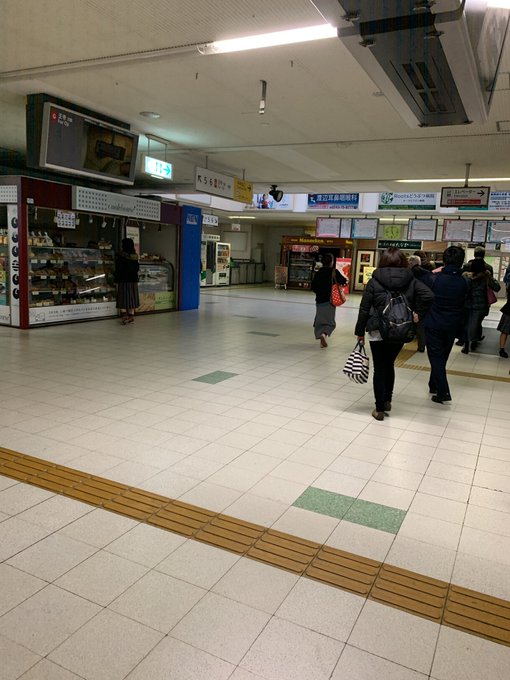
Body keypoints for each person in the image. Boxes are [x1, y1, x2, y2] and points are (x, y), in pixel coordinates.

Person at [355, 247, 433, 420]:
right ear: (402, 262)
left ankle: (379, 408)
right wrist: (417, 313)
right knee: (389, 364)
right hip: (400, 328)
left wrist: (359, 332)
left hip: (377, 329)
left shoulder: (374, 281)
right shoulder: (410, 279)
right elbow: (428, 295)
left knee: (380, 367)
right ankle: (388, 399)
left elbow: (364, 309)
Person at [421, 246, 470, 403]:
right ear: (461, 261)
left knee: (435, 357)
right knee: (442, 356)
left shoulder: (433, 278)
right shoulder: (465, 281)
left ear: (444, 260)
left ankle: (443, 392)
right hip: (453, 324)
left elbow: (421, 294)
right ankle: (433, 384)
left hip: (434, 323)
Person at [461, 258, 500, 353]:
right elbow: (497, 287)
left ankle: (466, 346)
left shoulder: (466, 276)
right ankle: (474, 342)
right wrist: (490, 277)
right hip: (481, 306)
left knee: (467, 324)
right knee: (477, 324)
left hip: (467, 304)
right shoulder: (486, 277)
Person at [311, 252, 347, 348]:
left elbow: (313, 287)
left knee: (319, 321)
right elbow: (344, 281)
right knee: (330, 322)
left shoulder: (318, 273)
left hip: (319, 301)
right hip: (331, 301)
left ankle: (321, 337)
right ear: (332, 262)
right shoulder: (334, 272)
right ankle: (324, 335)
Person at [114, 237, 139, 324]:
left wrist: (116, 278)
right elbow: (137, 268)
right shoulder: (135, 256)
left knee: (123, 297)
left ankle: (124, 316)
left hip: (123, 279)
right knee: (132, 297)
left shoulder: (121, 256)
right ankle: (131, 315)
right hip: (133, 280)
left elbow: (119, 269)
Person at [407, 255, 428, 352]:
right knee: (420, 324)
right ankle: (421, 346)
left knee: (407, 320)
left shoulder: (408, 273)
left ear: (411, 263)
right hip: (423, 301)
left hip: (411, 301)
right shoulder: (427, 273)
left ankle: (406, 338)